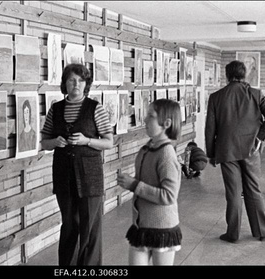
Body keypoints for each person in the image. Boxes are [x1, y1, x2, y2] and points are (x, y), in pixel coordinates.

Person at [40, 63, 113, 265]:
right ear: (65, 83)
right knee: (69, 225)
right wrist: (55, 142)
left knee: (89, 228)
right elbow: (44, 142)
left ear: (86, 84)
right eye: (72, 80)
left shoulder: (94, 108)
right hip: (64, 176)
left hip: (90, 177)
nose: (76, 84)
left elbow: (109, 141)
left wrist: (87, 141)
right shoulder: (56, 109)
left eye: (81, 81)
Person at [205, 60, 265, 243]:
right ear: (245, 74)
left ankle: (232, 234)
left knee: (233, 192)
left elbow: (210, 128)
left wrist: (211, 153)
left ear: (227, 75)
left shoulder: (216, 97)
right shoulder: (255, 93)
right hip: (250, 149)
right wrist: (260, 137)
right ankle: (261, 231)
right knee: (254, 189)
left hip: (226, 150)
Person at [117, 99, 182, 266]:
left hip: (162, 229)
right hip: (141, 226)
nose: (145, 120)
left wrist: (134, 185)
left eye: (150, 116)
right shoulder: (147, 148)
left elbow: (169, 196)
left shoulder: (166, 154)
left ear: (166, 123)